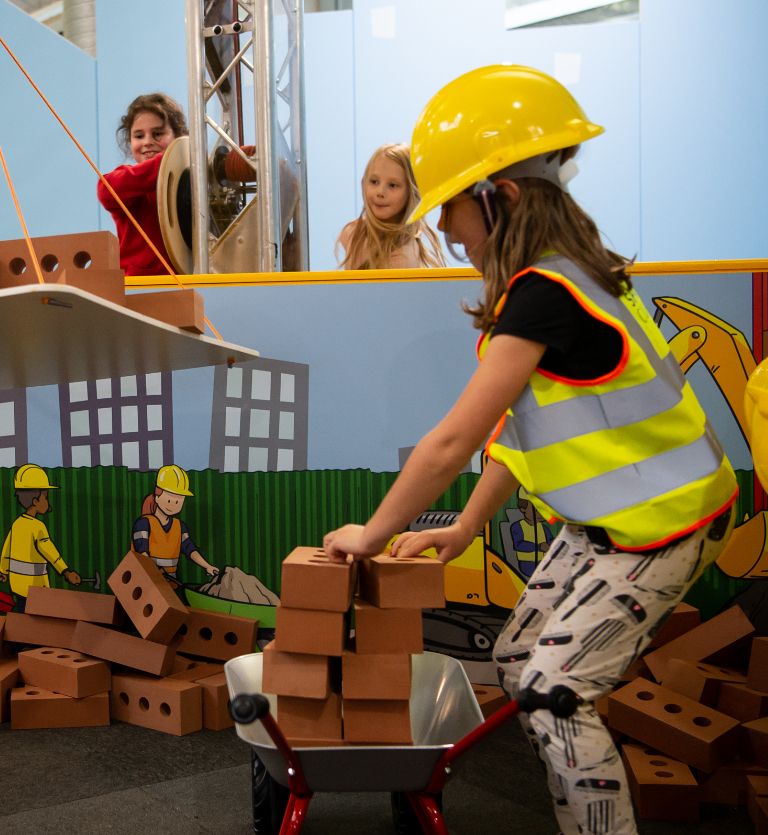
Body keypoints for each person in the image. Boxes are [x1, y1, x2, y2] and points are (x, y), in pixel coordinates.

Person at [322, 66, 738, 835]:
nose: (444, 226)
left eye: (454, 205)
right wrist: (466, 528)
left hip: (662, 526)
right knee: (517, 659)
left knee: (553, 687)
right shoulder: (556, 283)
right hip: (607, 523)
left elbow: (452, 442)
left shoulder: (548, 292)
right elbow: (522, 431)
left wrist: (370, 535)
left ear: (503, 196)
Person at [98, 93, 189, 276]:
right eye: (139, 136)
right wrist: (172, 160)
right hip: (139, 285)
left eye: (157, 134)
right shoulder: (128, 181)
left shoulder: (191, 179)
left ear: (177, 136)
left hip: (186, 280)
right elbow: (106, 190)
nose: (147, 142)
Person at [336, 142, 446, 270]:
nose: (380, 192)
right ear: (363, 183)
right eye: (374, 182)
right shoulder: (352, 232)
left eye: (393, 185)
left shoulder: (403, 259)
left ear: (413, 192)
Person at [0, 464, 81, 613]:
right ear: (35, 501)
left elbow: (6, 549)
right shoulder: (38, 527)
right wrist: (66, 572)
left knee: (24, 616)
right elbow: (49, 551)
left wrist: (3, 571)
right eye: (46, 497)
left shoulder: (17, 524)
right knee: (38, 620)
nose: (48, 503)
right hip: (35, 585)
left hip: (17, 585)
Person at [131, 465, 219, 587]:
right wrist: (155, 571)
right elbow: (142, 554)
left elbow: (190, 549)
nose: (173, 505)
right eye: (169, 500)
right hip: (143, 584)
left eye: (178, 501)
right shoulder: (143, 524)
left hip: (169, 586)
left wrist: (207, 566)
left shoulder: (179, 526)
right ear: (157, 495)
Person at [509, 485, 553, 577]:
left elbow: (551, 540)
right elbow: (519, 545)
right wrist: (540, 546)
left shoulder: (543, 528)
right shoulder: (518, 526)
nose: (542, 513)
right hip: (527, 564)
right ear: (523, 508)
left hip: (543, 561)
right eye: (538, 509)